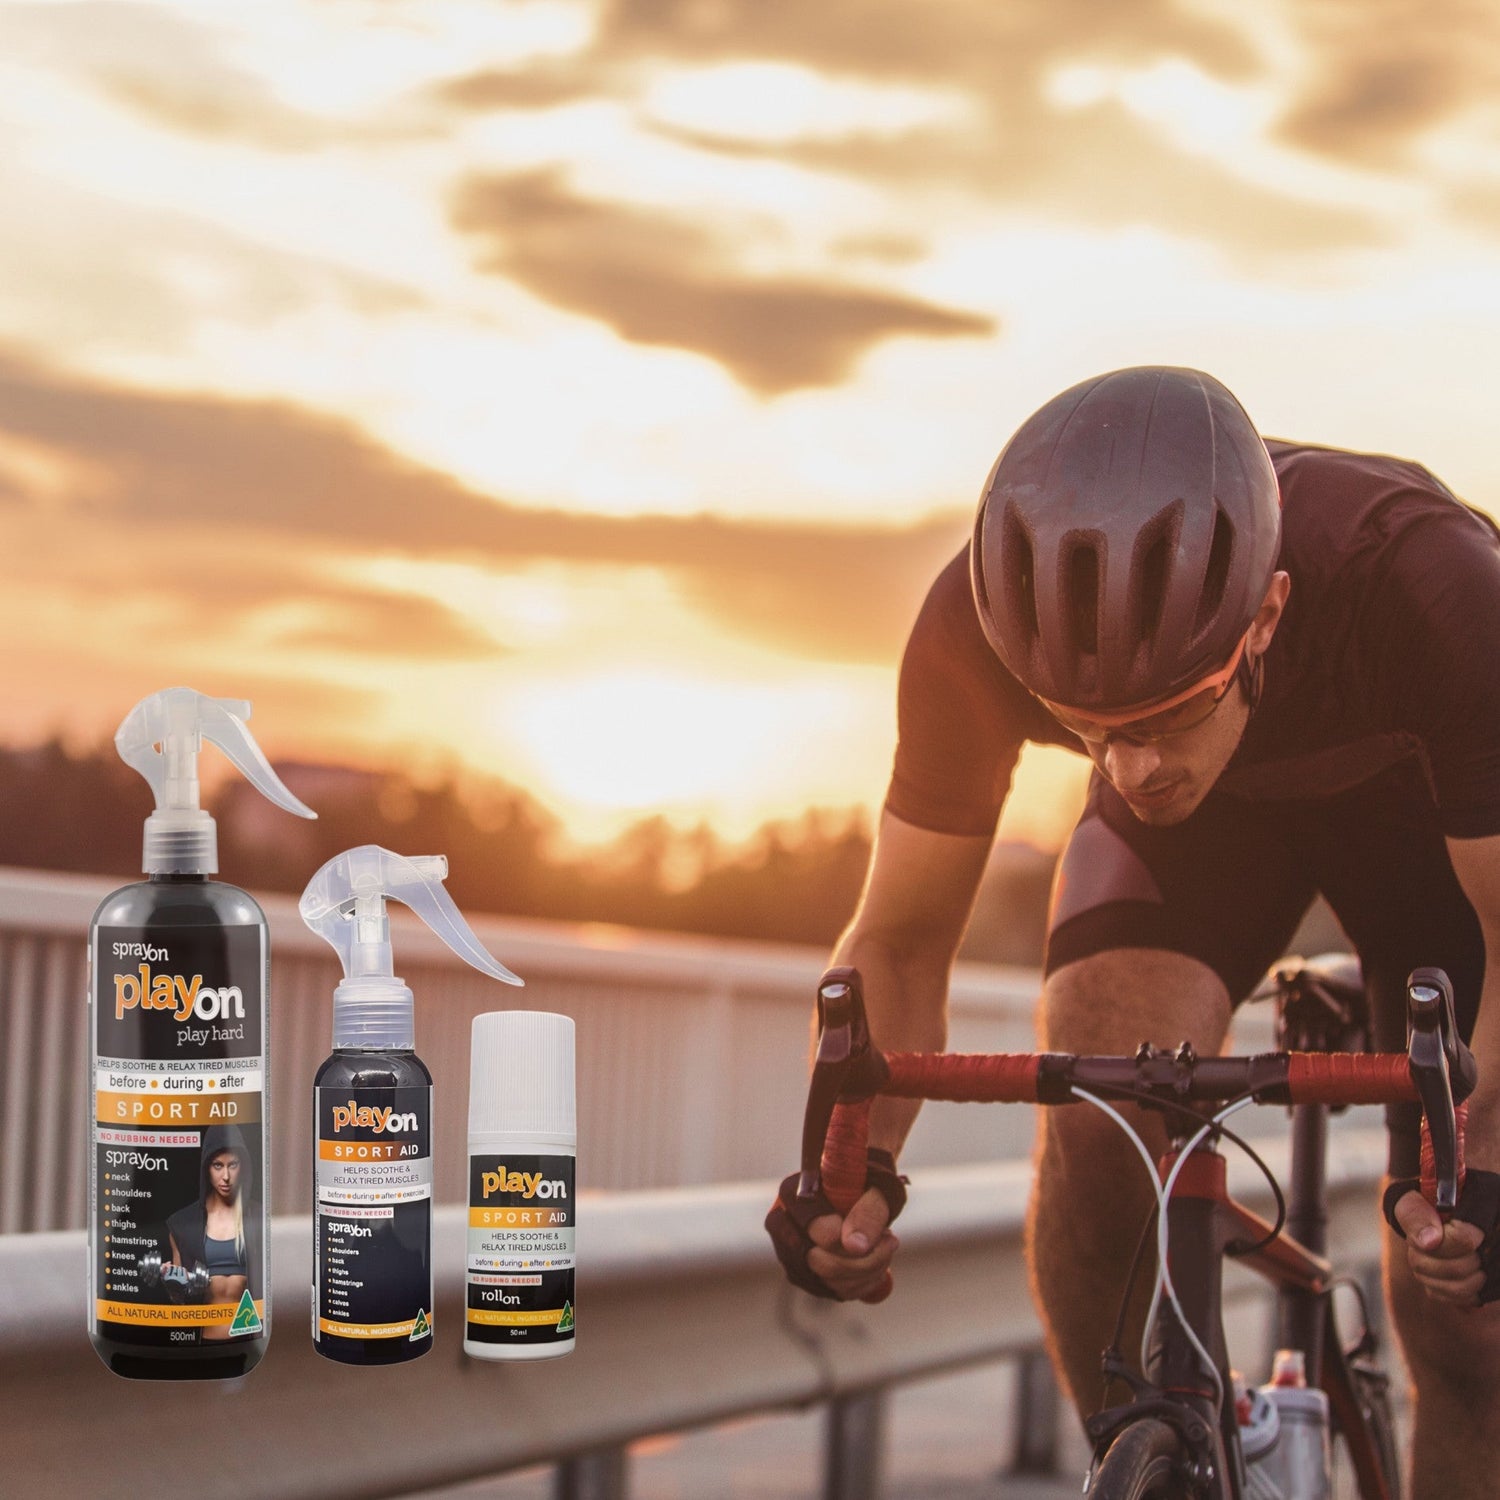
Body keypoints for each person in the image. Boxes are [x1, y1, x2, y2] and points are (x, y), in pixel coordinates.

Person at [766, 367, 1500, 1498]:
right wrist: (850, 1170)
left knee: (1462, 1307)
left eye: (1163, 715)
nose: (1131, 767)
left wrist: (1475, 1163)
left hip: (1429, 838)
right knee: (1103, 1109)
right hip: (1216, 839)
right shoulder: (978, 624)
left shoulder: (1433, 587)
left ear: (1265, 614)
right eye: (1088, 732)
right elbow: (901, 941)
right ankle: (1148, 1458)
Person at [166, 1124, 261, 1339]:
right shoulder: (182, 1224)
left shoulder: (258, 1217)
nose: (226, 1176)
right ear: (207, 1168)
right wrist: (171, 1281)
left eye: (232, 1165)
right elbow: (179, 1298)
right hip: (202, 1339)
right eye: (218, 1166)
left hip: (248, 1338)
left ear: (243, 1166)